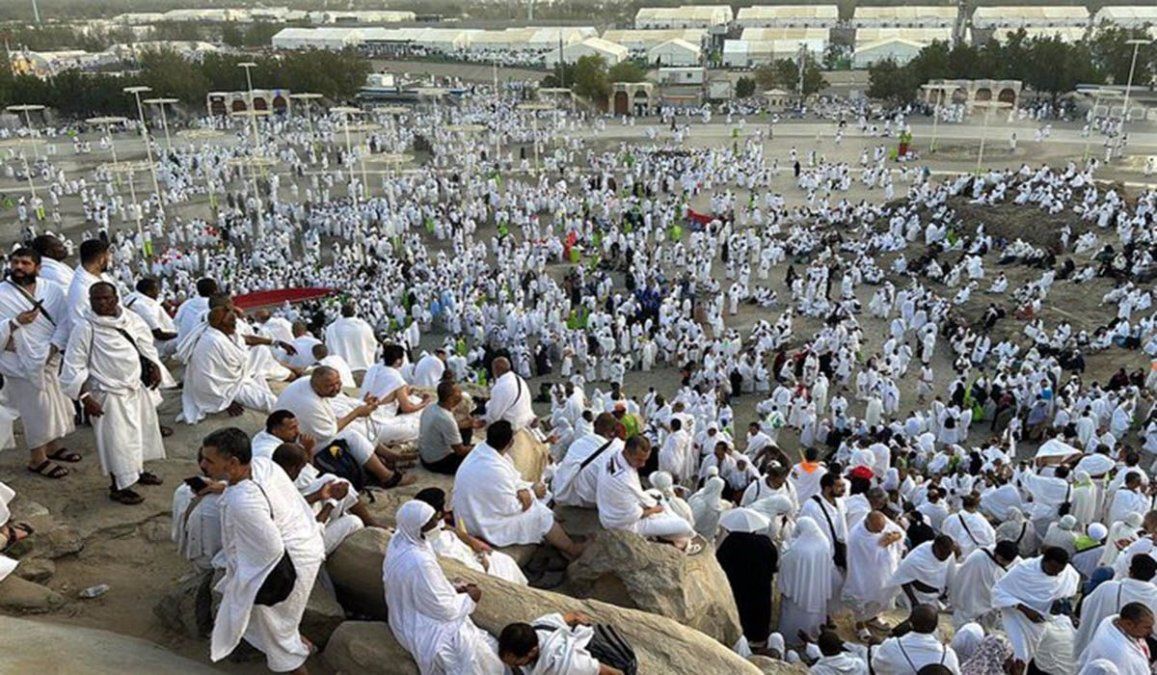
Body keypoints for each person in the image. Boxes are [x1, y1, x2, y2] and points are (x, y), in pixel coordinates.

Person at [203, 427, 325, 674]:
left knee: (277, 637)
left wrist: (244, 579)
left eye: (209, 460)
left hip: (290, 563)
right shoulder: (263, 465)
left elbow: (270, 549)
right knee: (277, 623)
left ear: (233, 462)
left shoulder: (243, 501)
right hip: (307, 543)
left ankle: (294, 661)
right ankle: (300, 642)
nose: (203, 465)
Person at [61, 282, 166, 505]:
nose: (101, 303)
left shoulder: (130, 318)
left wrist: (154, 365)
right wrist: (85, 398)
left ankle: (138, 471)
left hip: (135, 388)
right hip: (107, 392)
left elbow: (145, 343)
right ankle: (119, 486)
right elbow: (73, 366)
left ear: (116, 299)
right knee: (116, 442)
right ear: (90, 301)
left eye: (106, 298)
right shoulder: (84, 328)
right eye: (96, 299)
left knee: (140, 434)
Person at [383, 499, 504, 674]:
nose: (437, 524)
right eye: (430, 522)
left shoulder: (399, 540)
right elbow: (444, 610)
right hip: (422, 625)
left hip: (402, 614)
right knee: (476, 654)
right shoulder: (420, 562)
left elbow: (425, 588)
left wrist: (452, 588)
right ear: (418, 527)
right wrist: (471, 597)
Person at [452, 421, 585, 558]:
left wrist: (526, 489)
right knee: (541, 515)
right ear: (510, 443)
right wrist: (531, 493)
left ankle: (555, 532)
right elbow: (511, 508)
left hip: (476, 510)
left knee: (542, 494)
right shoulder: (495, 469)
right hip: (481, 522)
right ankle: (571, 548)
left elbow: (514, 478)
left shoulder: (484, 451)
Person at [0, 247, 76, 479]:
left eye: (25, 263)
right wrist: (15, 322)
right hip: (18, 363)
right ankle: (37, 458)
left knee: (55, 404)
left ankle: (52, 446)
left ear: (38, 267)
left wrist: (53, 348)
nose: (19, 267)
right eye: (15, 262)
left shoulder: (51, 290)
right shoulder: (1, 294)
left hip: (49, 357)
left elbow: (64, 322)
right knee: (36, 410)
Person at [273, 367, 413, 488]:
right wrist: (357, 412)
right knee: (352, 435)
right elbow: (330, 431)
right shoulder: (309, 403)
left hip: (306, 430)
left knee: (353, 426)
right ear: (317, 385)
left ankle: (388, 456)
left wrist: (361, 406)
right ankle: (386, 477)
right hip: (300, 443)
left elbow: (338, 408)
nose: (337, 388)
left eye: (338, 382)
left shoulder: (309, 383)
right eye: (330, 386)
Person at [596, 435, 698, 550]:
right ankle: (680, 542)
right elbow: (630, 516)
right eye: (639, 460)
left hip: (608, 509)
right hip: (621, 525)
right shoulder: (624, 479)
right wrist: (654, 510)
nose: (643, 465)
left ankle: (666, 519)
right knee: (683, 526)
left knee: (656, 493)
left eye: (645, 460)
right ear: (627, 452)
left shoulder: (614, 451)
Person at [179, 305, 277, 423]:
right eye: (231, 322)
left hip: (234, 376)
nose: (235, 325)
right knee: (268, 401)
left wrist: (274, 342)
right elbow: (205, 379)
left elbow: (248, 339)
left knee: (261, 350)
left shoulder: (224, 332)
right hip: (224, 389)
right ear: (220, 324)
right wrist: (225, 402)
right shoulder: (212, 342)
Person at [271, 442, 375, 554]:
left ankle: (364, 521)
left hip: (303, 523)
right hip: (303, 548)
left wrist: (320, 495)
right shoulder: (278, 494)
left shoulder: (274, 475)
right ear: (292, 469)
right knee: (354, 521)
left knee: (332, 480)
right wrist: (331, 501)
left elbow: (298, 500)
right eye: (300, 468)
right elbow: (313, 531)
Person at [413, 487, 528, 585]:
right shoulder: (443, 544)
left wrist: (470, 540)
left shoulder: (421, 525)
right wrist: (483, 563)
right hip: (477, 567)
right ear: (438, 514)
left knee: (506, 560)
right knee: (506, 564)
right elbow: (466, 568)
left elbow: (443, 527)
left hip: (469, 553)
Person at [991, 547, 1081, 670]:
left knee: (1026, 656)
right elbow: (999, 591)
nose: (1055, 574)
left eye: (1059, 571)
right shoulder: (1024, 570)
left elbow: (1068, 594)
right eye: (1052, 569)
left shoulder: (1068, 573)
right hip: (1018, 619)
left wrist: (1066, 611)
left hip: (1040, 622)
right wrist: (1025, 609)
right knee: (1016, 652)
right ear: (1044, 561)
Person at [717, 508, 778, 646]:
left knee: (740, 611)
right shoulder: (765, 542)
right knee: (758, 612)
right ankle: (758, 639)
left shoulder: (729, 543)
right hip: (760, 588)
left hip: (736, 587)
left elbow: (720, 564)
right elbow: (773, 564)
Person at [1074, 553, 1157, 655]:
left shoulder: (1107, 588)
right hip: (1134, 655)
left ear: (1130, 571)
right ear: (1153, 575)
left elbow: (1087, 606)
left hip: (1098, 647)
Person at [497, 612, 624, 675]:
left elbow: (615, 673)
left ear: (532, 651)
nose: (513, 666)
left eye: (516, 662)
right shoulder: (539, 626)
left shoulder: (569, 662)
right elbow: (573, 616)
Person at [843, 511, 905, 639]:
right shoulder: (856, 536)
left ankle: (873, 618)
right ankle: (860, 625)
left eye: (881, 529)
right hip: (864, 574)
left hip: (884, 571)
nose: (880, 533)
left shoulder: (884, 523)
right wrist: (879, 545)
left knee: (881, 597)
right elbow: (859, 559)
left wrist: (892, 538)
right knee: (863, 598)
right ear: (868, 524)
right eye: (877, 530)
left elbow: (900, 533)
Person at [778, 517, 833, 646]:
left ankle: (792, 639)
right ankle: (812, 637)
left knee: (794, 615)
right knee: (813, 615)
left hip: (799, 590)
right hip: (817, 588)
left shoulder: (798, 549)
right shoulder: (824, 542)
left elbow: (786, 564)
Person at [554, 412, 623, 508]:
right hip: (593, 499)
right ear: (613, 431)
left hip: (569, 494)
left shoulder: (577, 443)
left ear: (594, 424)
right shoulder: (617, 449)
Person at [870, 605, 961, 674]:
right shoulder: (948, 654)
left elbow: (876, 665)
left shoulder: (892, 646)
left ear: (910, 624)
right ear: (935, 627)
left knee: (874, 642)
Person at [949, 540, 1020, 629]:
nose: (1004, 564)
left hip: (989, 608)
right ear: (996, 553)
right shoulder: (978, 558)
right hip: (968, 603)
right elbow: (964, 580)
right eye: (1002, 560)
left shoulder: (1015, 562)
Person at [1077, 602, 1155, 675]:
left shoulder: (1111, 622)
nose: (1151, 631)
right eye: (1147, 627)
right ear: (1128, 624)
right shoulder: (1120, 655)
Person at [419, 381, 478, 475]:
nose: (461, 395)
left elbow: (447, 427)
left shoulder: (430, 407)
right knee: (478, 458)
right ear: (450, 398)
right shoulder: (446, 418)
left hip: (425, 456)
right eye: (459, 393)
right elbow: (460, 451)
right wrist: (479, 447)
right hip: (436, 462)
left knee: (467, 429)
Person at [888, 535, 958, 608]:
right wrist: (914, 602)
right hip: (917, 596)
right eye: (943, 554)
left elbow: (951, 576)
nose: (946, 557)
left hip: (936, 597)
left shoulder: (949, 553)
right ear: (936, 547)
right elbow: (903, 579)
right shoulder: (916, 558)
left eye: (948, 554)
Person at [323, 304, 378, 373]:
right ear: (354, 312)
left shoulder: (332, 328)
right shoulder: (364, 326)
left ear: (341, 313)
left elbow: (329, 347)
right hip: (365, 367)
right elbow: (372, 344)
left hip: (343, 369)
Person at [939, 494, 996, 560]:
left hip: (960, 557)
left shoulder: (951, 518)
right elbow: (991, 538)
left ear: (963, 504)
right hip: (979, 556)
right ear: (976, 506)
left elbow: (944, 533)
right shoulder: (981, 519)